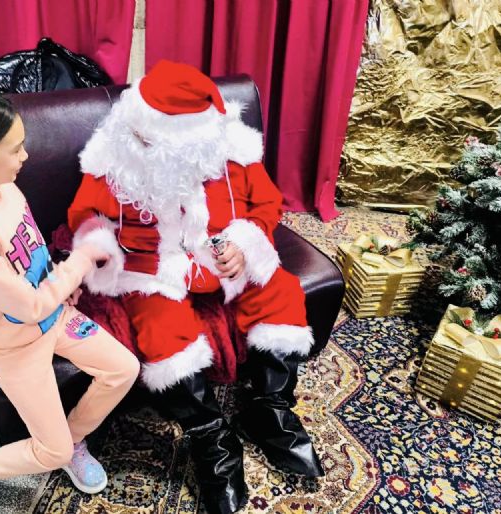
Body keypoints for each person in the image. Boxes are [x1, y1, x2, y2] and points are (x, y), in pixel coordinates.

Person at [67, 60, 324, 514]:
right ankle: (212, 439)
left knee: (281, 293)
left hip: (219, 259)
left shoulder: (231, 150)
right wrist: (100, 248)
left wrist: (244, 243)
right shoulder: (116, 156)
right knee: (162, 332)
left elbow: (266, 205)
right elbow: (86, 218)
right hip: (152, 269)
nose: (144, 143)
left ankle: (269, 410)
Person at [0, 88, 140, 514]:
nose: (25, 155)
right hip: (15, 346)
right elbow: (28, 307)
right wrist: (80, 261)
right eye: (15, 148)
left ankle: (71, 440)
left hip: (55, 315)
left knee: (123, 369)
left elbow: (34, 257)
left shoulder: (7, 189)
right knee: (51, 452)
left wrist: (61, 283)